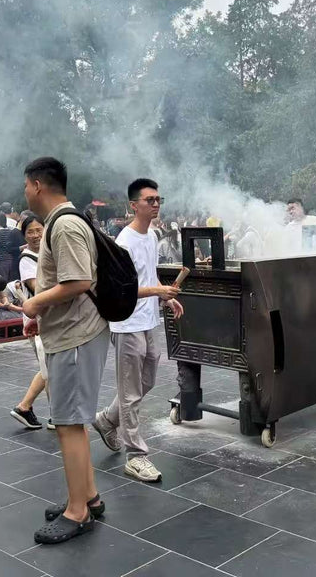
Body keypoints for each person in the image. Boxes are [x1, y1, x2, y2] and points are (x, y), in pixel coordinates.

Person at [20, 157, 109, 545]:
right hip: (69, 332)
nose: (25, 192)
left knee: (69, 424)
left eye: (26, 186)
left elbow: (78, 281)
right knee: (74, 422)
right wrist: (42, 314)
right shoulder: (63, 221)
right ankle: (88, 496)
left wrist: (34, 304)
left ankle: (78, 512)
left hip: (75, 335)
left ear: (38, 185)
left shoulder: (65, 224)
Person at [93, 179, 182, 483]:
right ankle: (135, 455)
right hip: (127, 322)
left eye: (158, 199)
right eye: (149, 200)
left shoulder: (152, 235)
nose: (156, 204)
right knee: (130, 392)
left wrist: (165, 298)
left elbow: (149, 274)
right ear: (133, 205)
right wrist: (158, 291)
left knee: (147, 381)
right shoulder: (124, 243)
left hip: (148, 320)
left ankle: (107, 419)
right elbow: (119, 290)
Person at [9, 214, 54, 430]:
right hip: (37, 320)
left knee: (51, 367)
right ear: (24, 235)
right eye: (30, 232)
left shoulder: (48, 252)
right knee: (49, 367)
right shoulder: (27, 259)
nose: (36, 235)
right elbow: (37, 288)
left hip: (50, 316)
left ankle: (30, 409)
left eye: (39, 230)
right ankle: (30, 408)